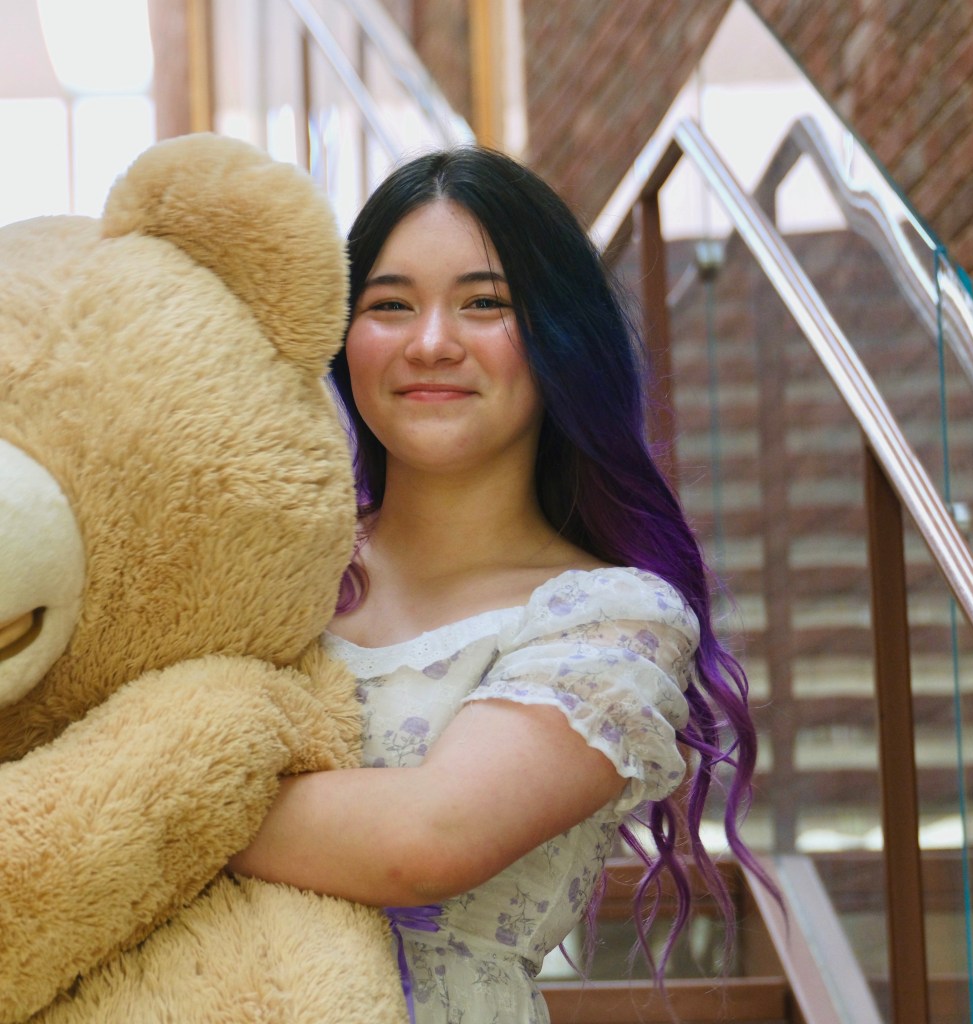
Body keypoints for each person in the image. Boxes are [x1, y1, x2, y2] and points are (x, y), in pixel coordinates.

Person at [229, 145, 771, 1023]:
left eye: (484, 303)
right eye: (390, 304)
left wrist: (128, 803)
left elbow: (427, 840)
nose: (431, 343)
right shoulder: (270, 556)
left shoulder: (613, 618)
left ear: (560, 337)